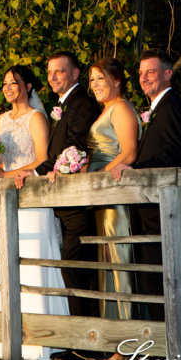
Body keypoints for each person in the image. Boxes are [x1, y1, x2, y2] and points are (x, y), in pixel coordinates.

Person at [50, 58, 140, 325]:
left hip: (115, 198)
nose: (95, 84)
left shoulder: (121, 108)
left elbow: (129, 151)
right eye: (92, 79)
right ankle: (114, 336)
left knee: (118, 264)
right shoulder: (105, 110)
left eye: (101, 78)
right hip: (101, 196)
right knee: (105, 265)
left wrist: (98, 178)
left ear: (117, 80)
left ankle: (127, 336)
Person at [0, 65, 70, 360]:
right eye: (6, 83)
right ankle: (10, 338)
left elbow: (43, 157)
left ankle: (44, 341)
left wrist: (10, 172)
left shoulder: (37, 118)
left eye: (15, 82)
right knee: (9, 261)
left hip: (32, 195)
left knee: (35, 259)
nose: (9, 87)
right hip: (7, 196)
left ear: (28, 86)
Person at [111, 49, 181, 322]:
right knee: (155, 281)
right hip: (155, 211)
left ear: (167, 74)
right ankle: (162, 350)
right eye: (140, 73)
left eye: (150, 72)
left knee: (162, 282)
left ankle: (168, 353)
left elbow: (172, 155)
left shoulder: (172, 107)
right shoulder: (159, 108)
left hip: (165, 211)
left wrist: (133, 168)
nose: (144, 78)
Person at [15, 51, 101, 318]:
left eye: (59, 71)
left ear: (75, 73)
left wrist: (39, 171)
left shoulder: (82, 104)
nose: (52, 77)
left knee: (76, 269)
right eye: (50, 72)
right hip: (63, 202)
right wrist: (37, 170)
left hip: (78, 203)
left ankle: (85, 339)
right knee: (72, 268)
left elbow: (73, 146)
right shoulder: (63, 105)